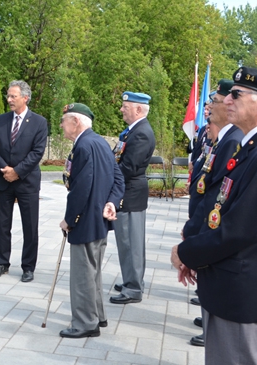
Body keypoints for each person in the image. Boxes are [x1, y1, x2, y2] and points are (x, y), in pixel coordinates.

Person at [171, 67, 257, 365]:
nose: (227, 99)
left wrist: (186, 252)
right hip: (229, 283)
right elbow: (222, 207)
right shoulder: (253, 145)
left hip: (241, 289)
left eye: (236, 94)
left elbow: (239, 230)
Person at [183, 78, 244, 348]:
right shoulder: (224, 138)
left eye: (215, 102)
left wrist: (195, 228)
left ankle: (212, 328)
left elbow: (217, 193)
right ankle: (209, 322)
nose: (208, 109)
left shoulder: (232, 140)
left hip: (213, 221)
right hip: (204, 216)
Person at [58, 103, 125, 339]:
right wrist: (111, 203)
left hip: (85, 220)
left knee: (83, 274)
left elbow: (81, 189)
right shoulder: (99, 142)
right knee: (93, 271)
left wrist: (69, 219)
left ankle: (86, 323)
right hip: (99, 219)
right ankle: (97, 315)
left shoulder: (84, 145)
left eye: (63, 120)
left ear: (76, 122)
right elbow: (118, 179)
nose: (60, 125)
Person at [0, 80, 48, 282]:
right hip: (4, 179)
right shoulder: (1, 120)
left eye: (13, 96)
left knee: (30, 226)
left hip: (27, 181)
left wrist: (18, 172)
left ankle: (28, 267)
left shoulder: (39, 122)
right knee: (2, 225)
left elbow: (37, 152)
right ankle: (2, 263)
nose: (9, 99)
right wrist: (5, 170)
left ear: (25, 97)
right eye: (8, 95)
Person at [111, 91, 156, 305]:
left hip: (130, 193)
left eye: (125, 106)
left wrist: (106, 174)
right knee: (126, 241)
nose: (121, 110)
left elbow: (128, 167)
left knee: (131, 243)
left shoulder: (141, 133)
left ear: (138, 109)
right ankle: (131, 279)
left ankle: (133, 288)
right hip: (127, 192)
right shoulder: (131, 132)